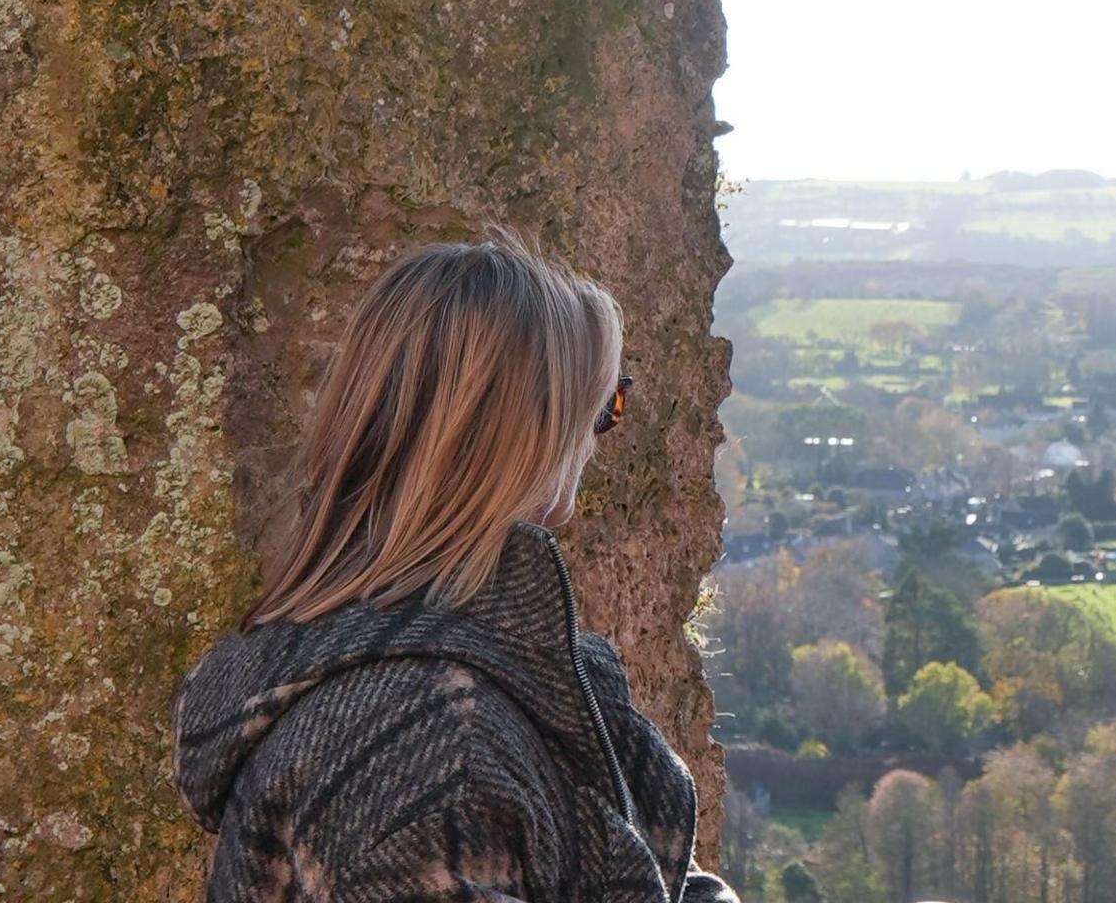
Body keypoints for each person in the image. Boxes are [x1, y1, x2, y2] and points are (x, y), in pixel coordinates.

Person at [175, 237, 736, 903]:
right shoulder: (428, 750)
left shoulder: (465, 681)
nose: (599, 437)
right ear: (533, 435)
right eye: (606, 406)